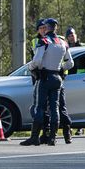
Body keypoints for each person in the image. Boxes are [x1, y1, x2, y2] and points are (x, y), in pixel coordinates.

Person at [21, 18, 73, 146]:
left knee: (40, 107)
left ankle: (34, 137)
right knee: (55, 108)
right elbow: (70, 63)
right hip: (57, 78)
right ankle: (52, 138)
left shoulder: (44, 41)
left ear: (48, 28)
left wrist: (30, 67)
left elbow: (37, 60)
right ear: (56, 28)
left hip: (44, 77)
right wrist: (61, 68)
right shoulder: (62, 42)